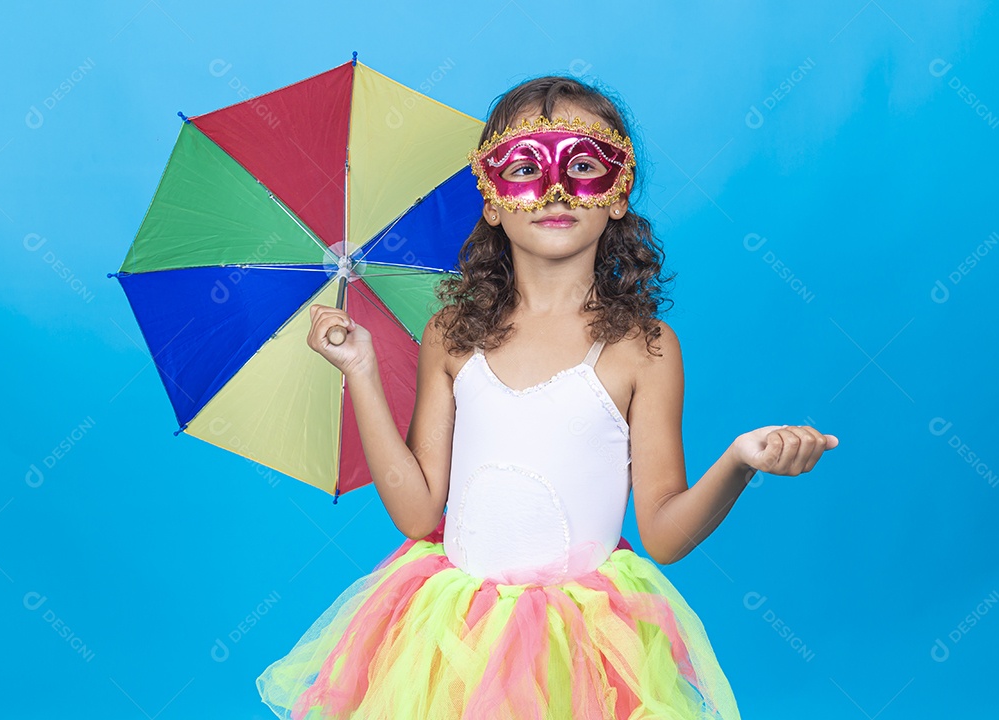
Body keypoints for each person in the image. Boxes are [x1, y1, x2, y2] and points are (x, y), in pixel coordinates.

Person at [256, 74, 838, 719]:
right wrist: (360, 367)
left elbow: (665, 537)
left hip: (581, 645)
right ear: (492, 200)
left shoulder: (643, 347)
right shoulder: (451, 336)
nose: (556, 191)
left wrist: (738, 460)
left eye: (585, 165)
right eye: (526, 168)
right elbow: (419, 514)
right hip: (456, 637)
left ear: (617, 196)